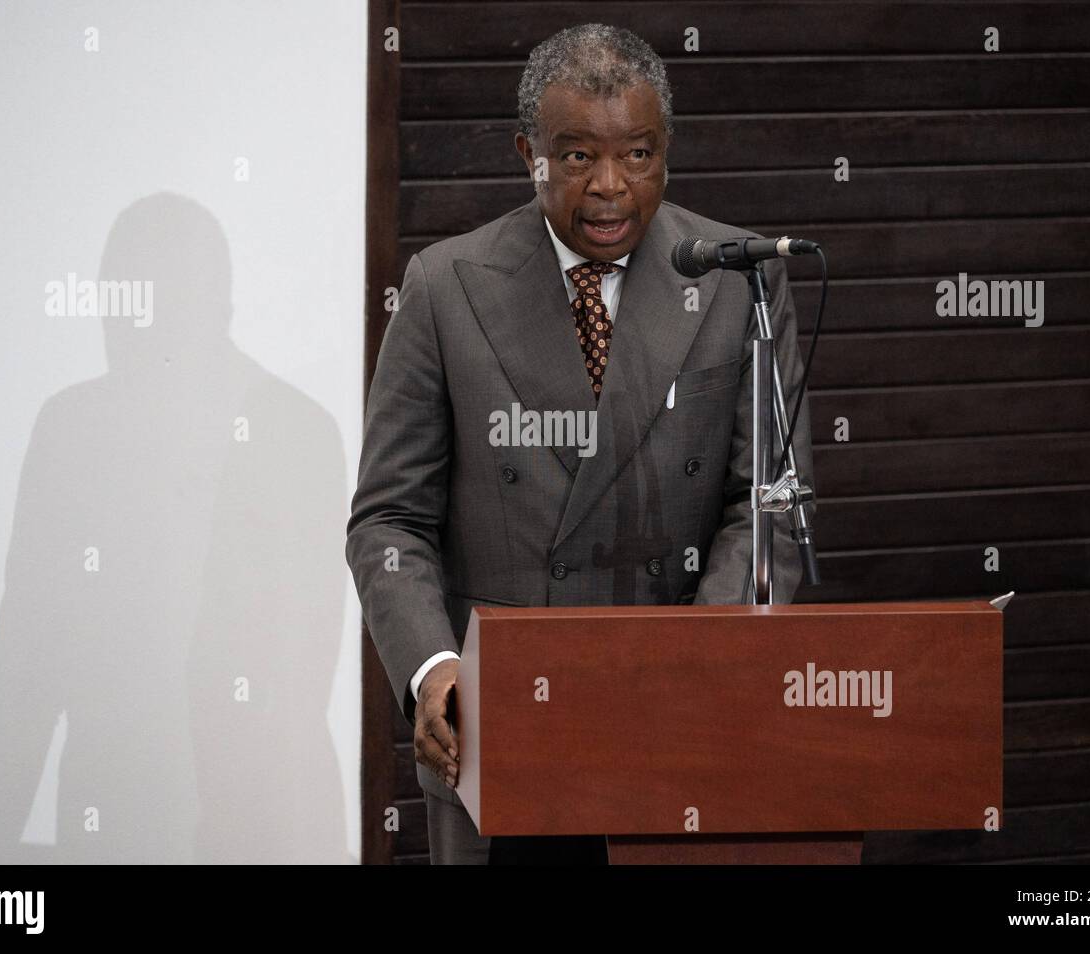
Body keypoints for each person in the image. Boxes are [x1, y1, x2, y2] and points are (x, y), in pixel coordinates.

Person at [346, 23, 813, 864]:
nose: (610, 189)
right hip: (500, 731)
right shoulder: (444, 288)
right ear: (528, 152)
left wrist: (697, 659)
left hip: (678, 720)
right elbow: (388, 523)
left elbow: (768, 504)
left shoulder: (738, 279)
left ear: (667, 148)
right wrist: (433, 669)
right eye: (575, 158)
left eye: (638, 155)